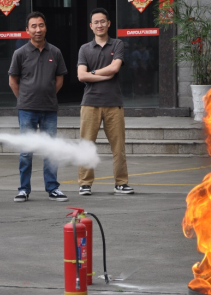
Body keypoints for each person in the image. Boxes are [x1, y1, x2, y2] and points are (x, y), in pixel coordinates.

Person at [8, 11, 68, 203]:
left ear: (46, 27)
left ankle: (52, 188)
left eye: (41, 25)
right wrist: (25, 99)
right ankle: (24, 189)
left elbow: (59, 79)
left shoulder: (55, 52)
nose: (38, 29)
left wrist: (48, 95)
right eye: (33, 26)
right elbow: (12, 81)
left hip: (49, 109)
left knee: (50, 149)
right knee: (26, 151)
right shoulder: (20, 53)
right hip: (27, 110)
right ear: (27, 30)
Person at [76, 8, 133, 196]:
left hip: (113, 103)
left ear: (108, 23)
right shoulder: (84, 49)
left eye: (103, 21)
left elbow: (115, 68)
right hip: (90, 103)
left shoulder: (117, 44)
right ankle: (85, 183)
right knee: (86, 145)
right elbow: (80, 75)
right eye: (96, 22)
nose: (99, 25)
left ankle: (121, 183)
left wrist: (91, 74)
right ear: (91, 26)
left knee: (118, 147)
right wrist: (103, 74)